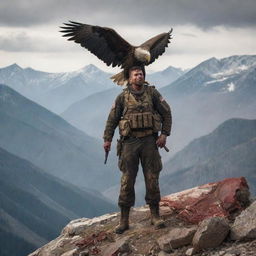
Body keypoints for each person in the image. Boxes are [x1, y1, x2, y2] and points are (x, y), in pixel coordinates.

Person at [103, 66, 172, 234]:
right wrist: (107, 139)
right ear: (129, 78)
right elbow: (112, 120)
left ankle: (155, 216)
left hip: (150, 141)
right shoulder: (122, 97)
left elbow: (167, 113)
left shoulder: (153, 94)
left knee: (152, 178)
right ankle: (124, 220)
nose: (139, 77)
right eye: (136, 74)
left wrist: (164, 135)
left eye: (141, 74)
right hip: (129, 143)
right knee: (127, 181)